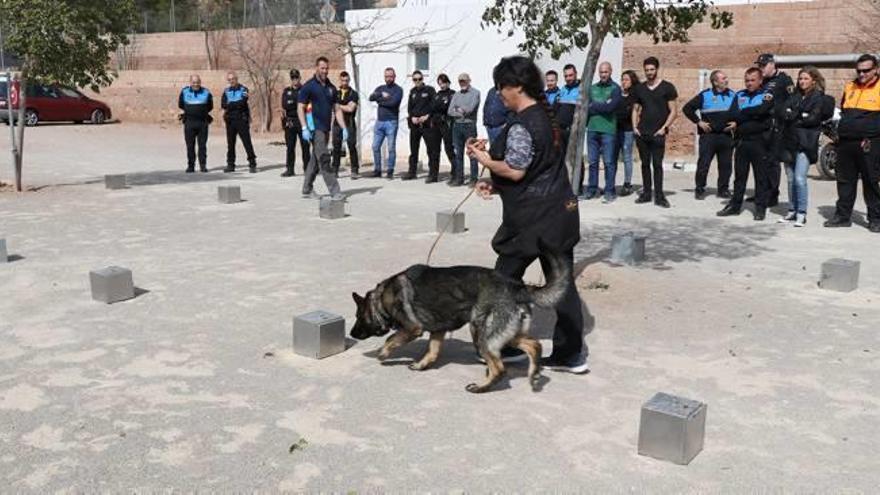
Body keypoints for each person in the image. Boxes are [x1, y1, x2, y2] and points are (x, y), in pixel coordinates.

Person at [466, 55, 588, 374]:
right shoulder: (545, 116)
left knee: (502, 282)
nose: (499, 94)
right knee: (561, 284)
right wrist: (493, 182)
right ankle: (571, 354)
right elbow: (536, 168)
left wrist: (484, 159)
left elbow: (517, 171)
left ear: (516, 86)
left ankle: (499, 346)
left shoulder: (523, 122)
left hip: (533, 221)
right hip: (560, 212)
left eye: (500, 88)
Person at [824, 54, 880, 232]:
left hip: (869, 143)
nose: (862, 74)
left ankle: (875, 219)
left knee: (871, 181)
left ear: (876, 69)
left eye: (866, 70)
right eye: (859, 70)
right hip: (846, 142)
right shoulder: (850, 86)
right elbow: (844, 112)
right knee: (844, 180)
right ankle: (842, 216)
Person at [717, 67, 774, 220]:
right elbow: (732, 114)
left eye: (752, 80)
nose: (749, 83)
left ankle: (760, 208)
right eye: (747, 80)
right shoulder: (740, 95)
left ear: (760, 81)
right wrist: (751, 114)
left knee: (760, 177)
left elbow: (763, 112)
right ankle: (735, 206)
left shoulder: (766, 95)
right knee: (740, 177)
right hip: (742, 142)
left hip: (759, 142)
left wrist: (743, 115)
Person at [778, 66, 828, 227]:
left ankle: (802, 213)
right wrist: (798, 114)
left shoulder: (818, 97)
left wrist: (794, 114)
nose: (802, 82)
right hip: (789, 141)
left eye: (806, 78)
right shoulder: (794, 95)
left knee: (800, 178)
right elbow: (782, 112)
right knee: (791, 179)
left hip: (805, 143)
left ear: (813, 80)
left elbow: (813, 118)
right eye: (800, 78)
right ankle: (792, 210)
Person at [298, 56, 349, 200]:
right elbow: (300, 108)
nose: (325, 71)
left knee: (315, 160)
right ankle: (335, 191)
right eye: (322, 68)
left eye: (327, 68)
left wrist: (344, 128)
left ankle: (307, 188)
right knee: (325, 159)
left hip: (326, 130)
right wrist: (304, 127)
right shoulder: (309, 86)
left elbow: (337, 110)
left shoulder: (331, 88)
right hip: (315, 129)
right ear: (317, 68)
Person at [682, 69, 736, 199]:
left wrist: (736, 123)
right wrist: (699, 122)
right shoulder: (705, 95)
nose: (726, 80)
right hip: (708, 137)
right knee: (704, 164)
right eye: (723, 78)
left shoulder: (733, 95)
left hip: (726, 136)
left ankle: (723, 189)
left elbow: (740, 113)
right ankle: (700, 189)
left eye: (726, 78)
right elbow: (687, 109)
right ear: (715, 82)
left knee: (726, 165)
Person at [632, 57, 678, 207]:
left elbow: (673, 111)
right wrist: (634, 127)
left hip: (658, 133)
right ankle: (646, 193)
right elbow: (635, 109)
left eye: (652, 69)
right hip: (642, 132)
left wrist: (664, 128)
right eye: (646, 70)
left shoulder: (667, 87)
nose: (649, 72)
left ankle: (659, 196)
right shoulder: (639, 88)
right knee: (645, 164)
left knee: (657, 165)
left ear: (657, 69)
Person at [757, 53, 795, 206]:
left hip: (777, 127)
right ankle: (762, 192)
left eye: (763, 65)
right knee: (762, 161)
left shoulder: (784, 80)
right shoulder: (763, 81)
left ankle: (772, 195)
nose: (761, 68)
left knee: (773, 162)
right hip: (763, 125)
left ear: (772, 64)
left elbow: (792, 101)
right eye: (759, 65)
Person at [583, 61, 622, 202]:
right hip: (592, 129)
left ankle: (609, 191)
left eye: (605, 72)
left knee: (608, 162)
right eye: (601, 72)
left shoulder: (616, 88)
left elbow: (610, 108)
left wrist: (594, 106)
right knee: (592, 162)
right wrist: (601, 105)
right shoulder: (592, 88)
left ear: (610, 71)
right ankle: (592, 189)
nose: (603, 74)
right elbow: (586, 107)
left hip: (608, 130)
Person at [404, 70, 439, 181]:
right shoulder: (412, 92)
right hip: (415, 125)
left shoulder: (429, 90)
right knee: (413, 150)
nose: (417, 81)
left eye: (419, 79)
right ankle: (412, 172)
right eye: (415, 79)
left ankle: (433, 175)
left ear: (422, 79)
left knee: (431, 150)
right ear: (413, 80)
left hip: (427, 125)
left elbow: (434, 105)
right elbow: (410, 108)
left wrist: (427, 116)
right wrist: (412, 117)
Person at [369, 67, 403, 179]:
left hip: (391, 122)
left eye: (390, 76)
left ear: (394, 77)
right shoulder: (380, 88)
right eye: (386, 76)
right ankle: (377, 170)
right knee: (375, 146)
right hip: (379, 122)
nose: (388, 78)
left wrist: (379, 100)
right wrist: (382, 96)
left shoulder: (398, 90)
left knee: (391, 148)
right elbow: (371, 97)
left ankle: (390, 170)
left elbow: (393, 103)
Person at [221, 71, 257, 173]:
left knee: (247, 142)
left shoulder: (243, 89)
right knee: (230, 144)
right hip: (230, 121)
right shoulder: (226, 91)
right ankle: (230, 164)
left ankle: (252, 163)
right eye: (229, 79)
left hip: (241, 119)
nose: (231, 81)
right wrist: (234, 105)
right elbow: (223, 105)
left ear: (237, 79)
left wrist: (231, 104)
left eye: (233, 79)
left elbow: (243, 102)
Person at [448, 73, 481, 186]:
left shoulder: (475, 93)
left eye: (464, 81)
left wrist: (459, 109)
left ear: (469, 81)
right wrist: (460, 111)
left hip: (469, 126)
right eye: (460, 81)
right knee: (458, 154)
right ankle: (459, 178)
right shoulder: (456, 95)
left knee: (472, 152)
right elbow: (450, 111)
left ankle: (473, 179)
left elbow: (470, 109)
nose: (462, 83)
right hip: (457, 126)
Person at [178, 74, 213, 173]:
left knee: (202, 145)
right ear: (190, 83)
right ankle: (191, 166)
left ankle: (203, 165)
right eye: (193, 82)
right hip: (189, 123)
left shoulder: (206, 92)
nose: (196, 84)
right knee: (190, 145)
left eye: (197, 82)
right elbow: (181, 104)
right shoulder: (184, 92)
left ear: (200, 82)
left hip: (202, 123)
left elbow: (210, 106)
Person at [614, 70, 639, 197]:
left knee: (627, 157)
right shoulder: (617, 94)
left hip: (628, 130)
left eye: (626, 79)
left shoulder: (634, 96)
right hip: (615, 130)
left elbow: (632, 113)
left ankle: (627, 184)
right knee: (612, 158)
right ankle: (610, 184)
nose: (623, 82)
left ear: (632, 81)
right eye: (622, 79)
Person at [281, 69, 309, 177]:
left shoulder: (305, 90)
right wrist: (296, 103)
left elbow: (305, 104)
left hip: (302, 121)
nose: (295, 80)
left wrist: (293, 102)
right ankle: (290, 169)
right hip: (290, 121)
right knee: (290, 146)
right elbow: (285, 105)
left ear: (299, 78)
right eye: (293, 78)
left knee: (305, 146)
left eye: (296, 77)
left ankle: (307, 169)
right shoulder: (286, 91)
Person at [332, 71, 359, 179]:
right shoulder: (335, 93)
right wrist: (342, 106)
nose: (345, 82)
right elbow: (333, 107)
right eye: (343, 80)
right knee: (336, 147)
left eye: (347, 80)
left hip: (349, 123)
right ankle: (335, 170)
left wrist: (338, 105)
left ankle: (354, 170)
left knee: (351, 146)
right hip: (337, 124)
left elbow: (351, 108)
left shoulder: (353, 94)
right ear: (340, 80)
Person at [433, 73, 456, 174]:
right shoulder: (437, 94)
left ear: (448, 82)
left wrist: (442, 106)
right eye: (440, 83)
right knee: (435, 149)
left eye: (443, 83)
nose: (442, 85)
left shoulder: (453, 93)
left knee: (449, 148)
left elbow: (448, 108)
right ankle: (434, 173)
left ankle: (455, 169)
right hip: (436, 124)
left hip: (447, 123)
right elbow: (433, 107)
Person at [557, 64, 580, 152]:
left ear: (576, 74)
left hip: (572, 130)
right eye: (566, 76)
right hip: (560, 130)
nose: (568, 78)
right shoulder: (563, 89)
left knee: (574, 157)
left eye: (570, 75)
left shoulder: (581, 88)